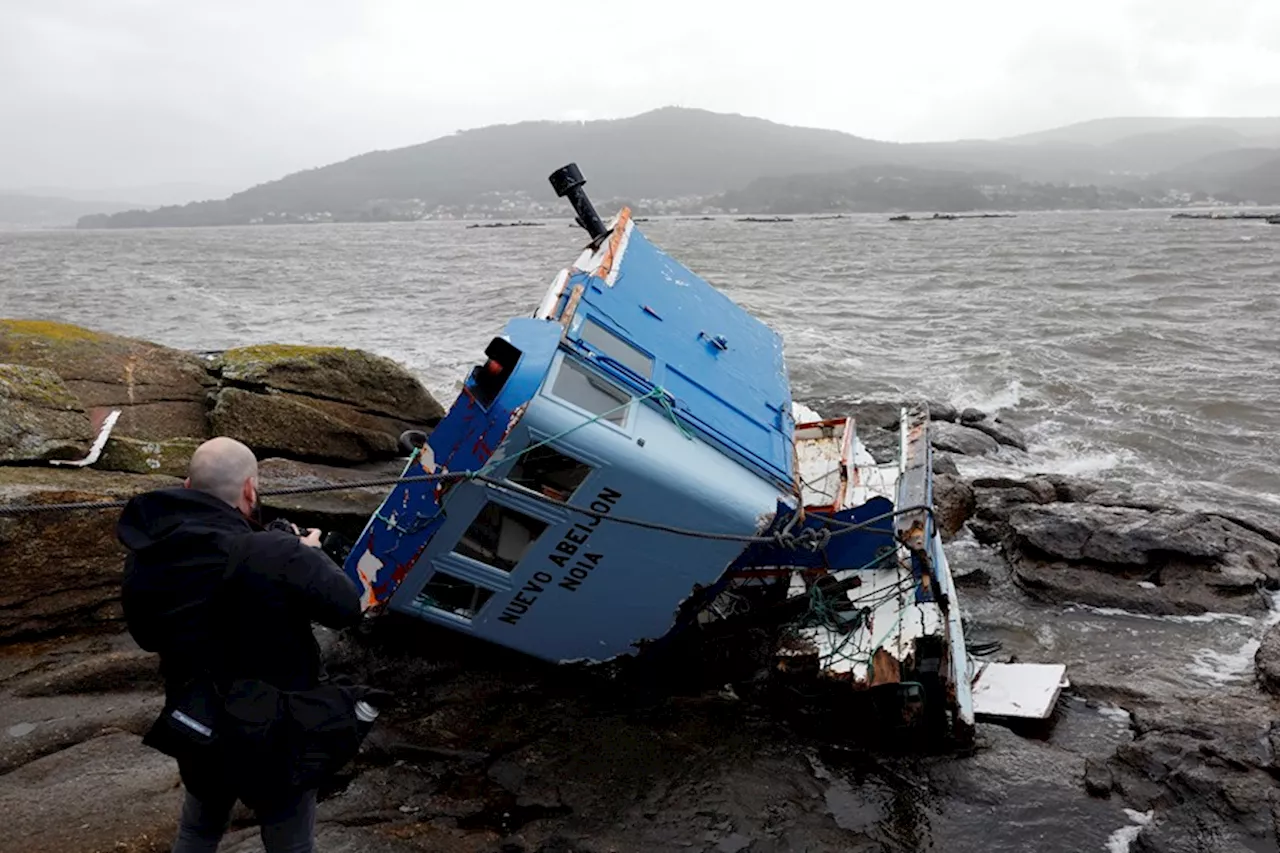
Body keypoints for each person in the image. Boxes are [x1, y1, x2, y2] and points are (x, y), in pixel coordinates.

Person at [118, 436, 363, 853]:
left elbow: (146, 634)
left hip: (197, 717)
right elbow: (345, 609)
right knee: (291, 842)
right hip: (275, 727)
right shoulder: (275, 551)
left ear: (187, 483)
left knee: (199, 829)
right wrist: (308, 553)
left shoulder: (150, 551)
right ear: (250, 489)